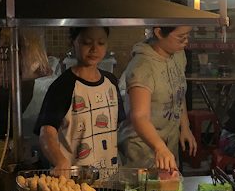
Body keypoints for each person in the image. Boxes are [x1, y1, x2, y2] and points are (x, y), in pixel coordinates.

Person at [34, 27, 125, 171]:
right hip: (74, 183)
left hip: (110, 180)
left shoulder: (111, 82)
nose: (94, 49)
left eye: (101, 43)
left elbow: (117, 126)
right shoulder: (63, 86)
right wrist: (60, 162)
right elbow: (47, 133)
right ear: (73, 43)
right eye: (87, 42)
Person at [118, 24, 197, 171]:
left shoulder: (178, 54)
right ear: (159, 33)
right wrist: (159, 147)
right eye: (181, 37)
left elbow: (178, 91)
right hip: (142, 148)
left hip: (168, 145)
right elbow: (139, 117)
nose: (186, 41)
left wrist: (185, 127)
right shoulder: (142, 67)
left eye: (187, 35)